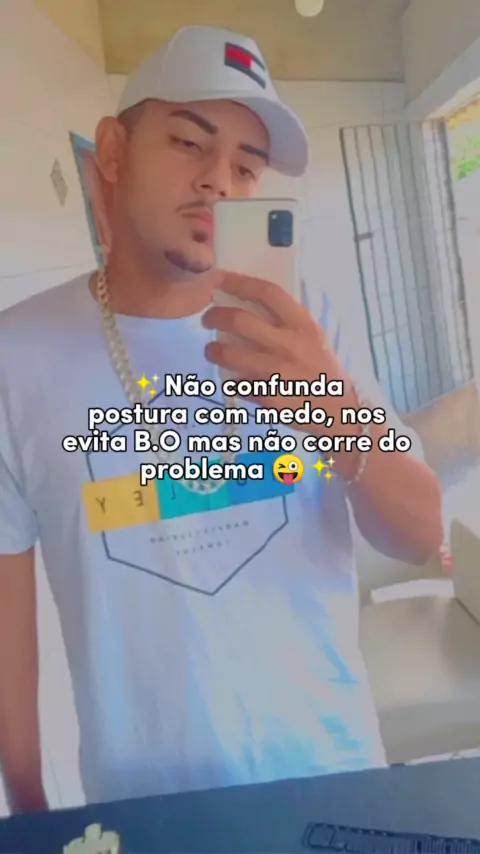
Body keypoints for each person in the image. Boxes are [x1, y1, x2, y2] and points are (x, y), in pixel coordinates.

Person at [0, 24, 443, 813]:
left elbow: (418, 536)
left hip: (332, 773)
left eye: (246, 165)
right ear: (113, 151)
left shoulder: (308, 326)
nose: (218, 183)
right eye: (188, 142)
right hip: (144, 807)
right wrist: (28, 808)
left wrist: (330, 405)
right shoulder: (16, 356)